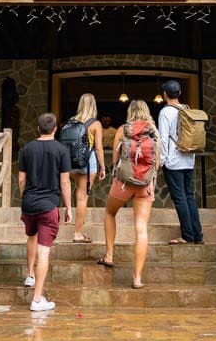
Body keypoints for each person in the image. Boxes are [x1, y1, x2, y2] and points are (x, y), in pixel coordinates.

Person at [99, 100, 160, 289]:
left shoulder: (122, 130)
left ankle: (109, 255)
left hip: (124, 183)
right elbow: (157, 162)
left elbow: (116, 160)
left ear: (129, 112)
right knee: (141, 228)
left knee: (110, 212)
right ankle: (137, 278)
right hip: (145, 185)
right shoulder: (153, 131)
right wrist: (150, 183)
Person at [18, 112, 73, 311]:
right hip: (49, 206)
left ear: (38, 129)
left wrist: (26, 197)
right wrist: (68, 207)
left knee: (31, 236)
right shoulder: (61, 150)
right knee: (44, 250)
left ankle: (30, 275)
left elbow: (21, 180)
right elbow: (65, 182)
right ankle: (37, 299)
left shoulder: (27, 149)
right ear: (56, 129)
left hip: (29, 204)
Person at [158, 79, 203, 245]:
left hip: (173, 161)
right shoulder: (187, 109)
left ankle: (186, 235)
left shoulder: (165, 112)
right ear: (180, 93)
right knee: (189, 196)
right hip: (188, 159)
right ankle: (197, 235)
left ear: (164, 95)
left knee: (180, 198)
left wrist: (161, 161)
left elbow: (163, 139)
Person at [66, 93, 106, 243]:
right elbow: (99, 148)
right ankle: (77, 233)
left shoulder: (70, 121)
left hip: (71, 163)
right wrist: (103, 167)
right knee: (82, 197)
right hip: (88, 162)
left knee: (78, 191)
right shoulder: (95, 124)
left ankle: (73, 221)